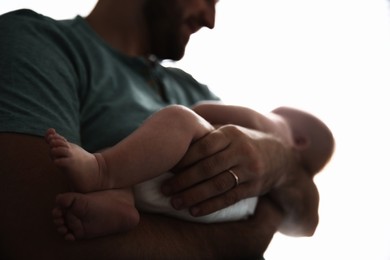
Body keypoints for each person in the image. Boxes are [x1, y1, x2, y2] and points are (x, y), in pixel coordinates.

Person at [0, 0, 326, 259]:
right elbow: (41, 241)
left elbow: (306, 221)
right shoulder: (37, 43)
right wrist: (245, 240)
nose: (210, 20)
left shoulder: (199, 92)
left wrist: (278, 160)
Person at [45, 102, 334, 241]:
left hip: (190, 177)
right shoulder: (277, 192)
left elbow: (208, 111)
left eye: (278, 113)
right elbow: (305, 227)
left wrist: (194, 115)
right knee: (135, 176)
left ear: (299, 141)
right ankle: (121, 204)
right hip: (220, 211)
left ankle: (101, 170)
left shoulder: (274, 131)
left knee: (180, 118)